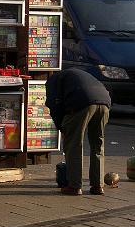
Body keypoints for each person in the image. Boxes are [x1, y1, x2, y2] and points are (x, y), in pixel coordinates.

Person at [46, 68, 111, 196]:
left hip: (83, 102)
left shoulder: (52, 81)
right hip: (104, 102)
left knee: (74, 144)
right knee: (98, 145)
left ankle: (74, 186)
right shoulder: (75, 75)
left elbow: (54, 105)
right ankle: (98, 186)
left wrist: (62, 128)